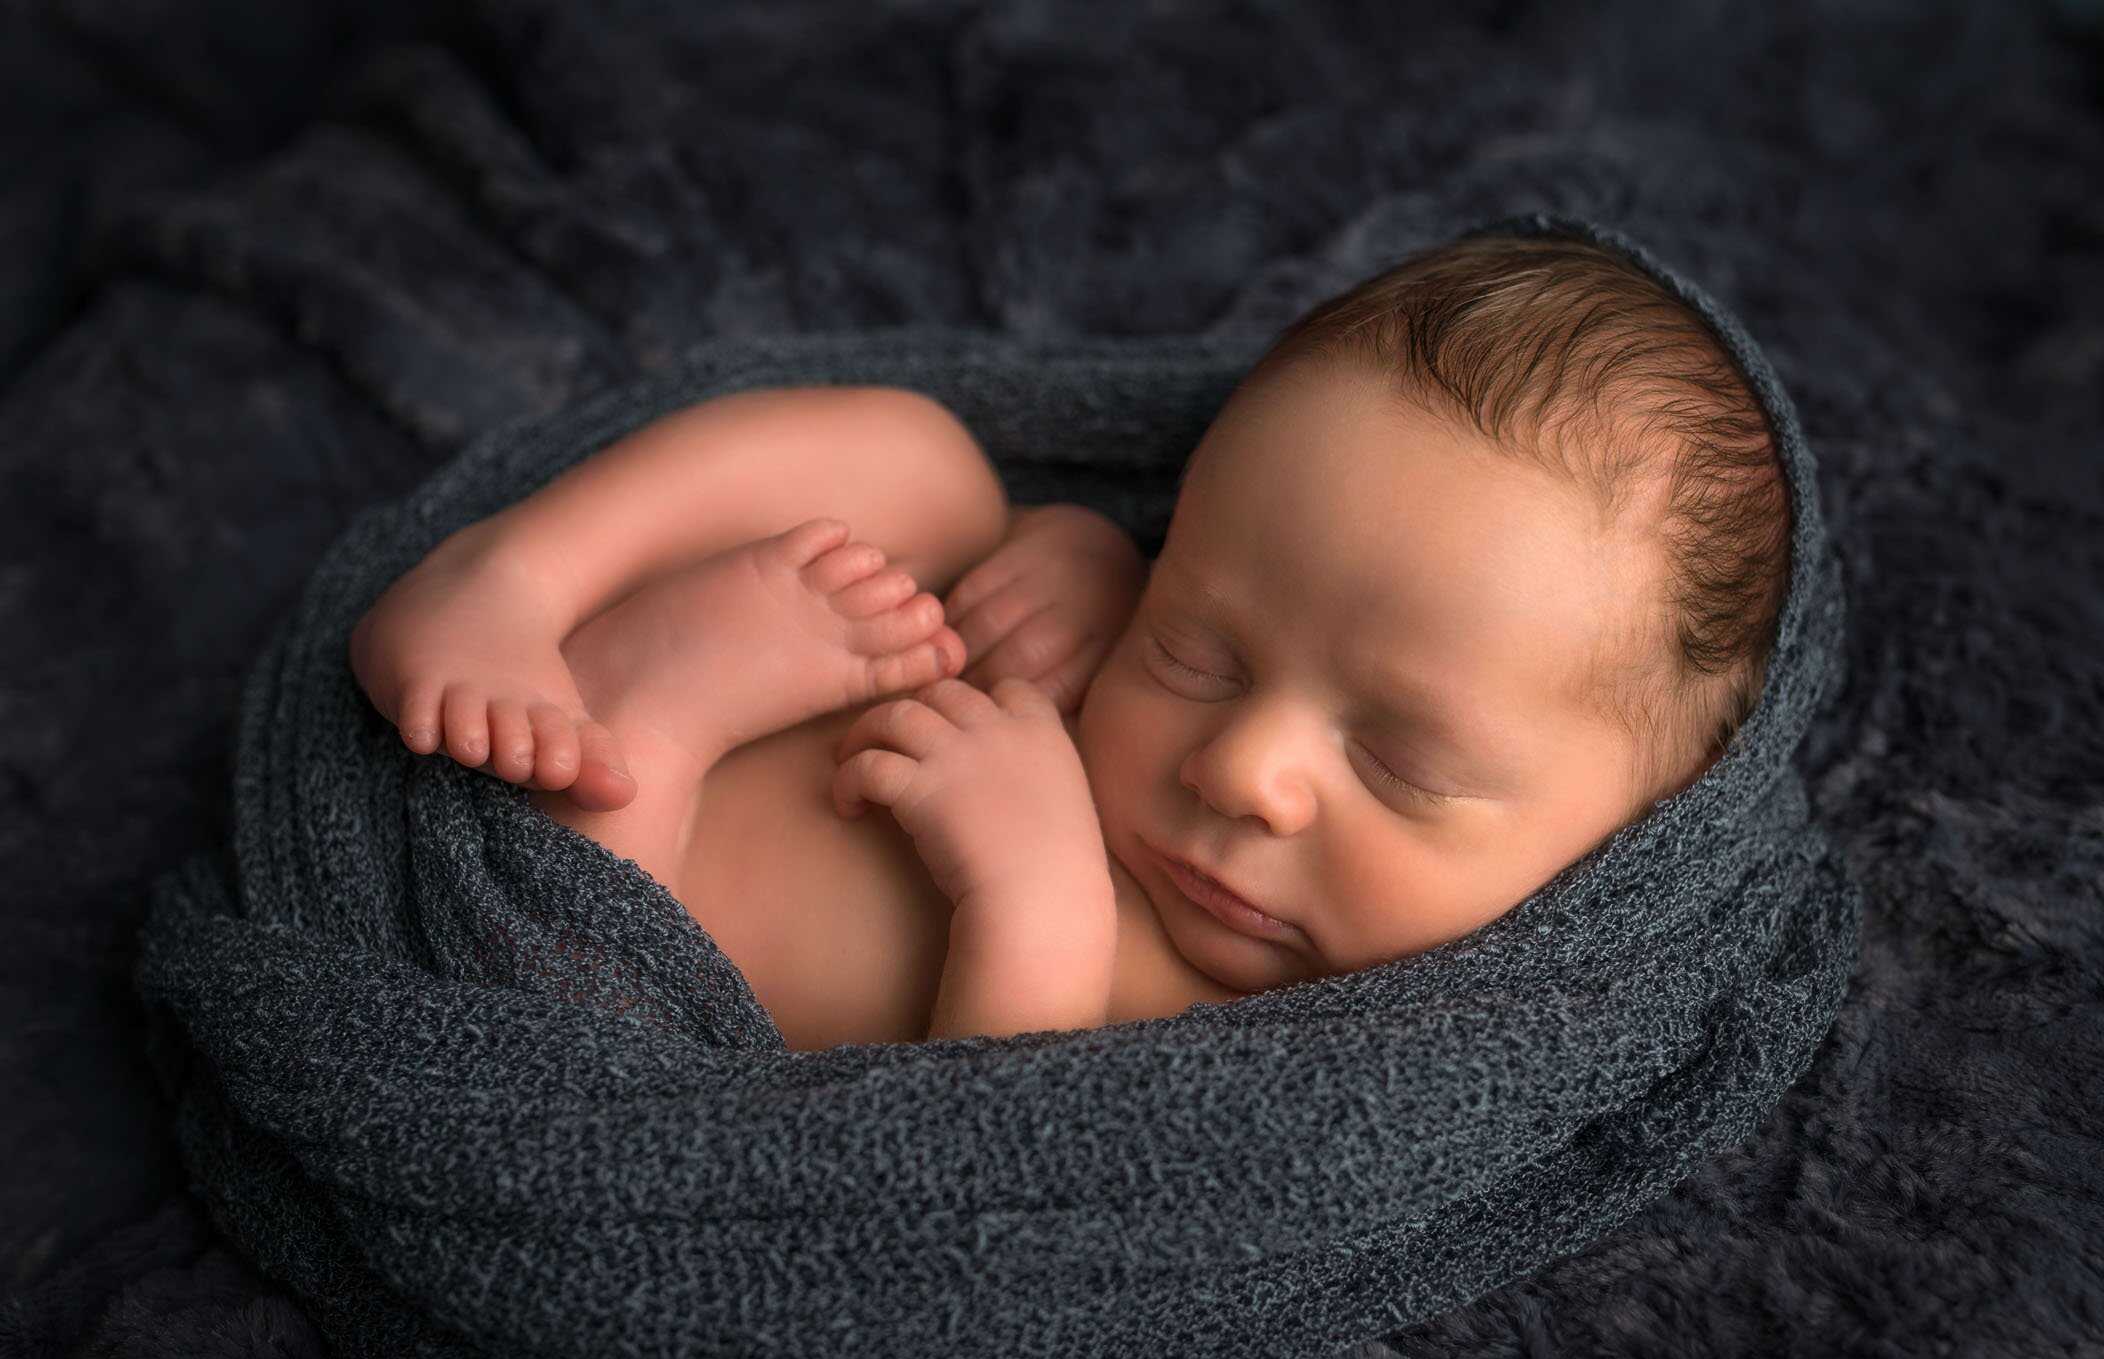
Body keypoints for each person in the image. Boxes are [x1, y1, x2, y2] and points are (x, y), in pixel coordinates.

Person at [348, 230, 1791, 1049]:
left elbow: (991, 1186)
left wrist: (1031, 902)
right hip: (590, 677)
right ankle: (520, 576)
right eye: (1202, 651)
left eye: (1404, 763)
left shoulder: (1283, 1036)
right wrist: (1078, 567)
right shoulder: (1154, 666)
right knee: (929, 467)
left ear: (1640, 832)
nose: (1244, 771)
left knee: (598, 1035)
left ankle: (653, 724)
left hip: (600, 914)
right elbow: (1090, 555)